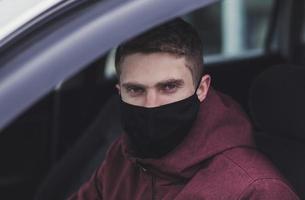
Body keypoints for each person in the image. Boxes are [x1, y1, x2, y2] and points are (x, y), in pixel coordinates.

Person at [68, 18, 299, 199]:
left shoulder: (255, 190)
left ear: (202, 88)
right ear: (120, 92)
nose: (151, 105)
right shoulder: (123, 157)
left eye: (169, 87)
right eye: (136, 90)